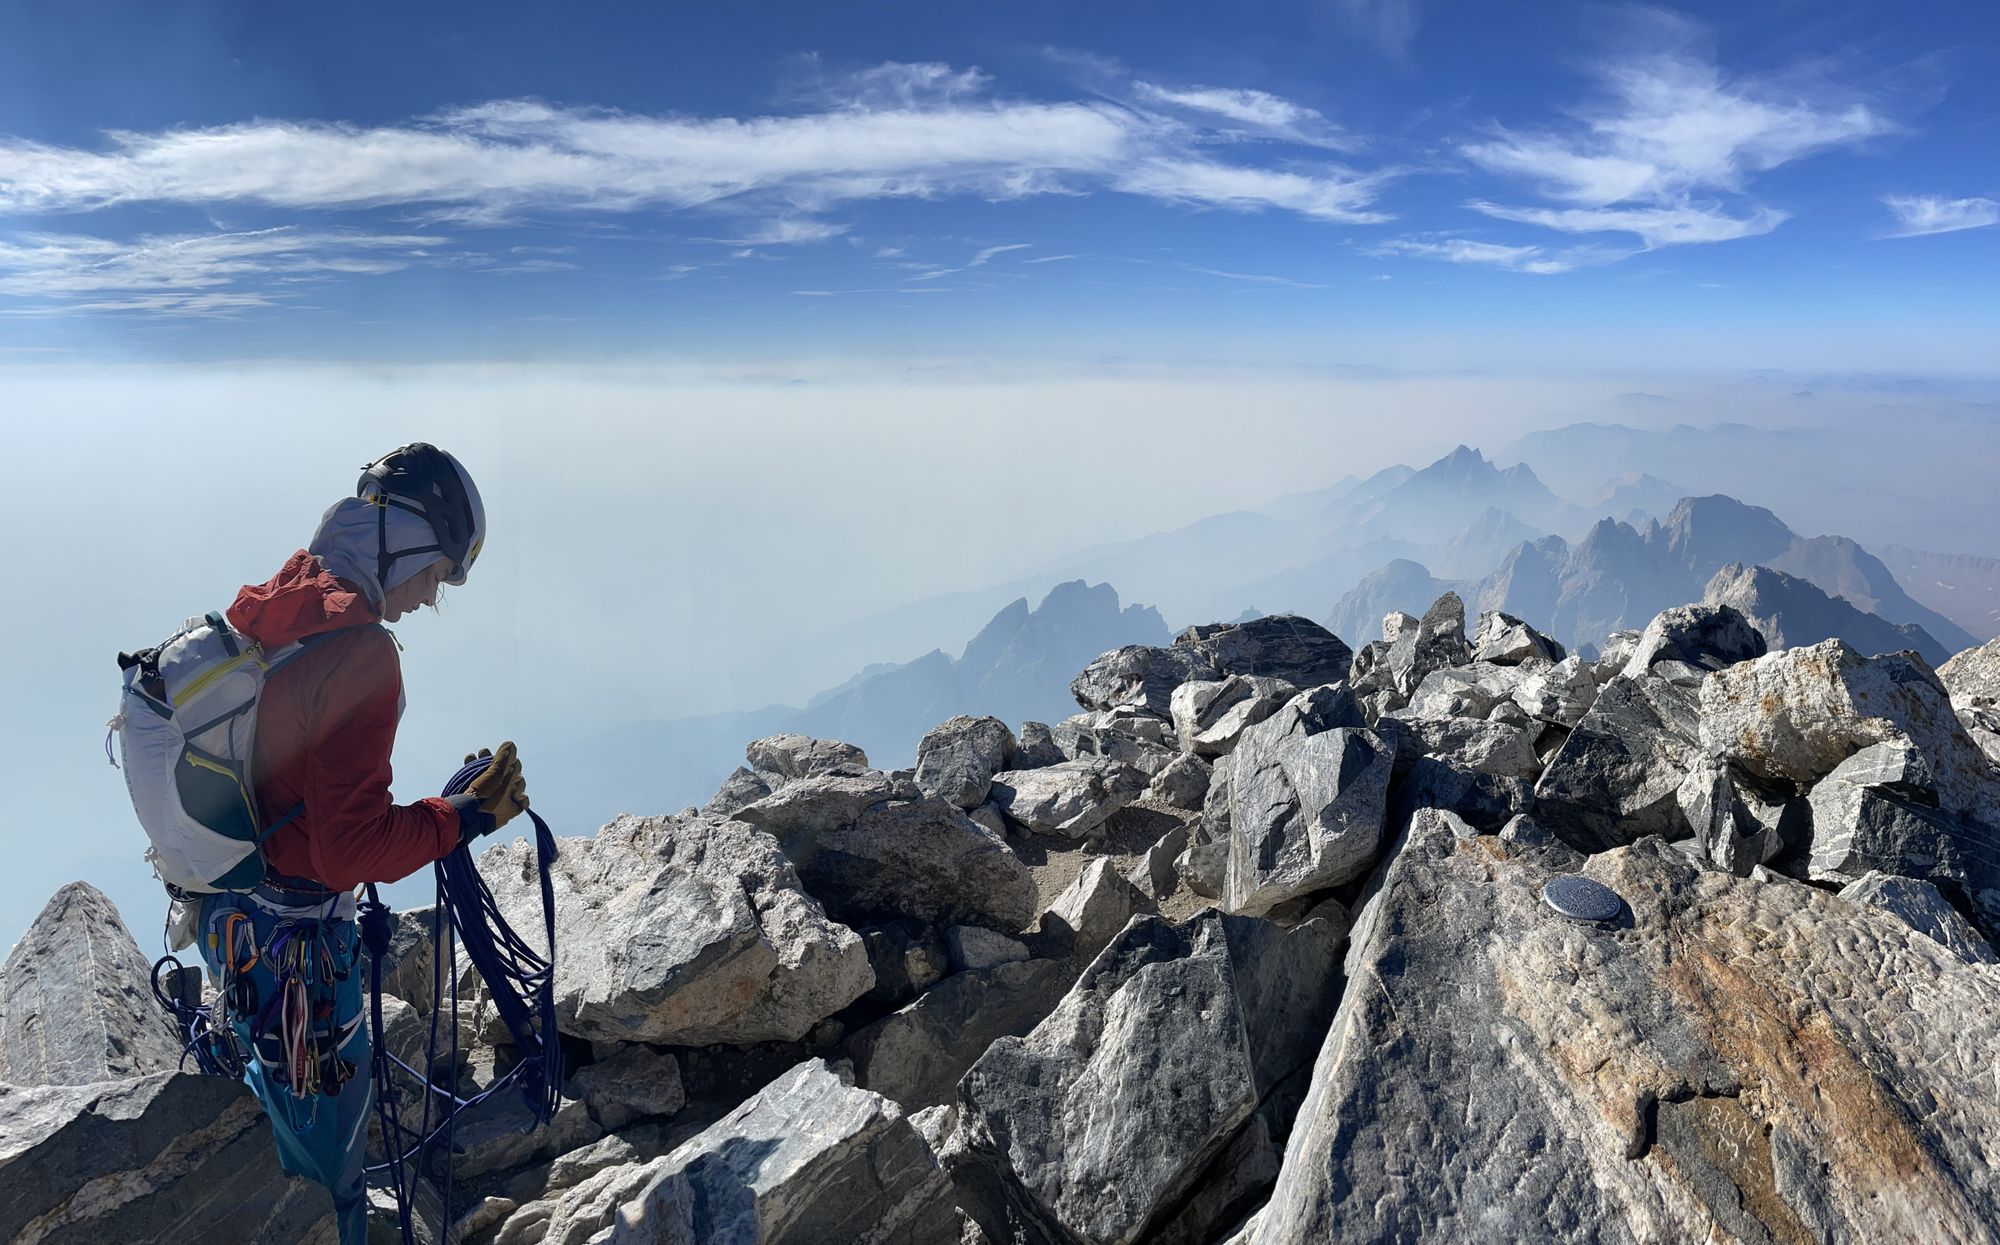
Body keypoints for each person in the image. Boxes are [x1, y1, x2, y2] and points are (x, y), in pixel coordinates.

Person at [191, 443, 529, 1244]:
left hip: (229, 918)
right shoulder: (362, 651)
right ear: (405, 543)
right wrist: (462, 818)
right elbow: (349, 849)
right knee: (323, 1181)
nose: (425, 600)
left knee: (267, 1126)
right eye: (437, 575)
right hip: (302, 961)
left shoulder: (281, 602)